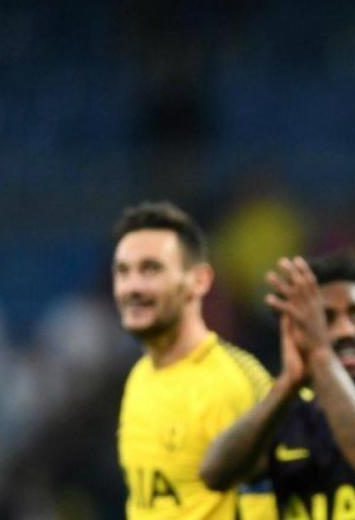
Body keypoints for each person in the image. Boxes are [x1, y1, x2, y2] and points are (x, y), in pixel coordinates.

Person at [199, 253, 355, 519]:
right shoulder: (286, 415)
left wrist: (320, 354)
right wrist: (288, 384)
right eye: (325, 320)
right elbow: (215, 475)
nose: (346, 331)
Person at [113, 201, 276, 519]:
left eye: (151, 269)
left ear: (199, 281)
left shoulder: (233, 383)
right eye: (123, 271)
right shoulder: (139, 377)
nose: (132, 287)